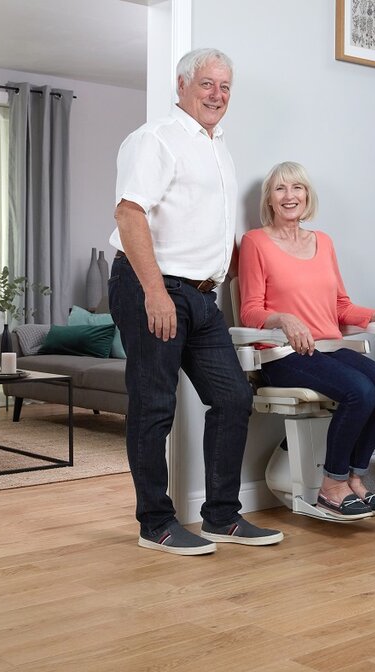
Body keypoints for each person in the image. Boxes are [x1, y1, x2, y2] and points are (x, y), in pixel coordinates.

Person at [108, 48, 283, 555]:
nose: (217, 95)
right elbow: (129, 213)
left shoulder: (217, 147)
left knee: (232, 398)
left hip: (201, 296)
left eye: (225, 87)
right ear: (182, 85)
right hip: (152, 286)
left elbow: (207, 227)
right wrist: (155, 292)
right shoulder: (155, 138)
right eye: (208, 84)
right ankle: (155, 524)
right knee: (154, 407)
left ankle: (222, 517)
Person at [237, 161, 375, 521]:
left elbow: (341, 306)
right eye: (280, 189)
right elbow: (250, 310)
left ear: (307, 196)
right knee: (360, 391)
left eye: (297, 188)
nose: (289, 196)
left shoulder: (323, 242)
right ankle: (332, 487)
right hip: (283, 356)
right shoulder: (255, 242)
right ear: (269, 198)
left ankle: (355, 480)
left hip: (328, 350)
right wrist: (283, 318)